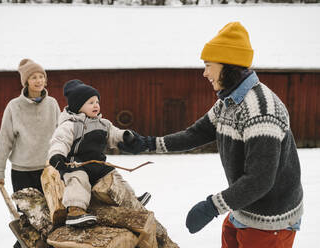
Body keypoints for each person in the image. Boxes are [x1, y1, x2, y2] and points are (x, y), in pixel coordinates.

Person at [118, 22, 303, 248]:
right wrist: (147, 143)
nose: (204, 73)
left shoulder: (261, 111)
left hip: (270, 219)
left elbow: (260, 180)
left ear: (228, 65)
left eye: (208, 65)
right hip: (242, 208)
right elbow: (195, 134)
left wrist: (212, 206)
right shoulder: (228, 102)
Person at [48, 79, 151, 228]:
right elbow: (60, 141)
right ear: (78, 106)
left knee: (113, 175)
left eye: (97, 101)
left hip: (97, 163)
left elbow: (114, 134)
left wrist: (125, 136)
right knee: (77, 179)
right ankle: (75, 210)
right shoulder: (70, 125)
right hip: (76, 163)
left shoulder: (103, 124)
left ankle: (131, 200)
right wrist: (57, 155)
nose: (96, 105)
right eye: (90, 102)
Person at [0, 59, 60, 248]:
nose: (38, 81)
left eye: (41, 77)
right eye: (33, 77)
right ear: (26, 82)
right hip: (22, 172)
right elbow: (4, 140)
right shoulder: (14, 106)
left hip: (48, 171)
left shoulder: (53, 104)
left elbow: (60, 135)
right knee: (29, 218)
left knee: (51, 216)